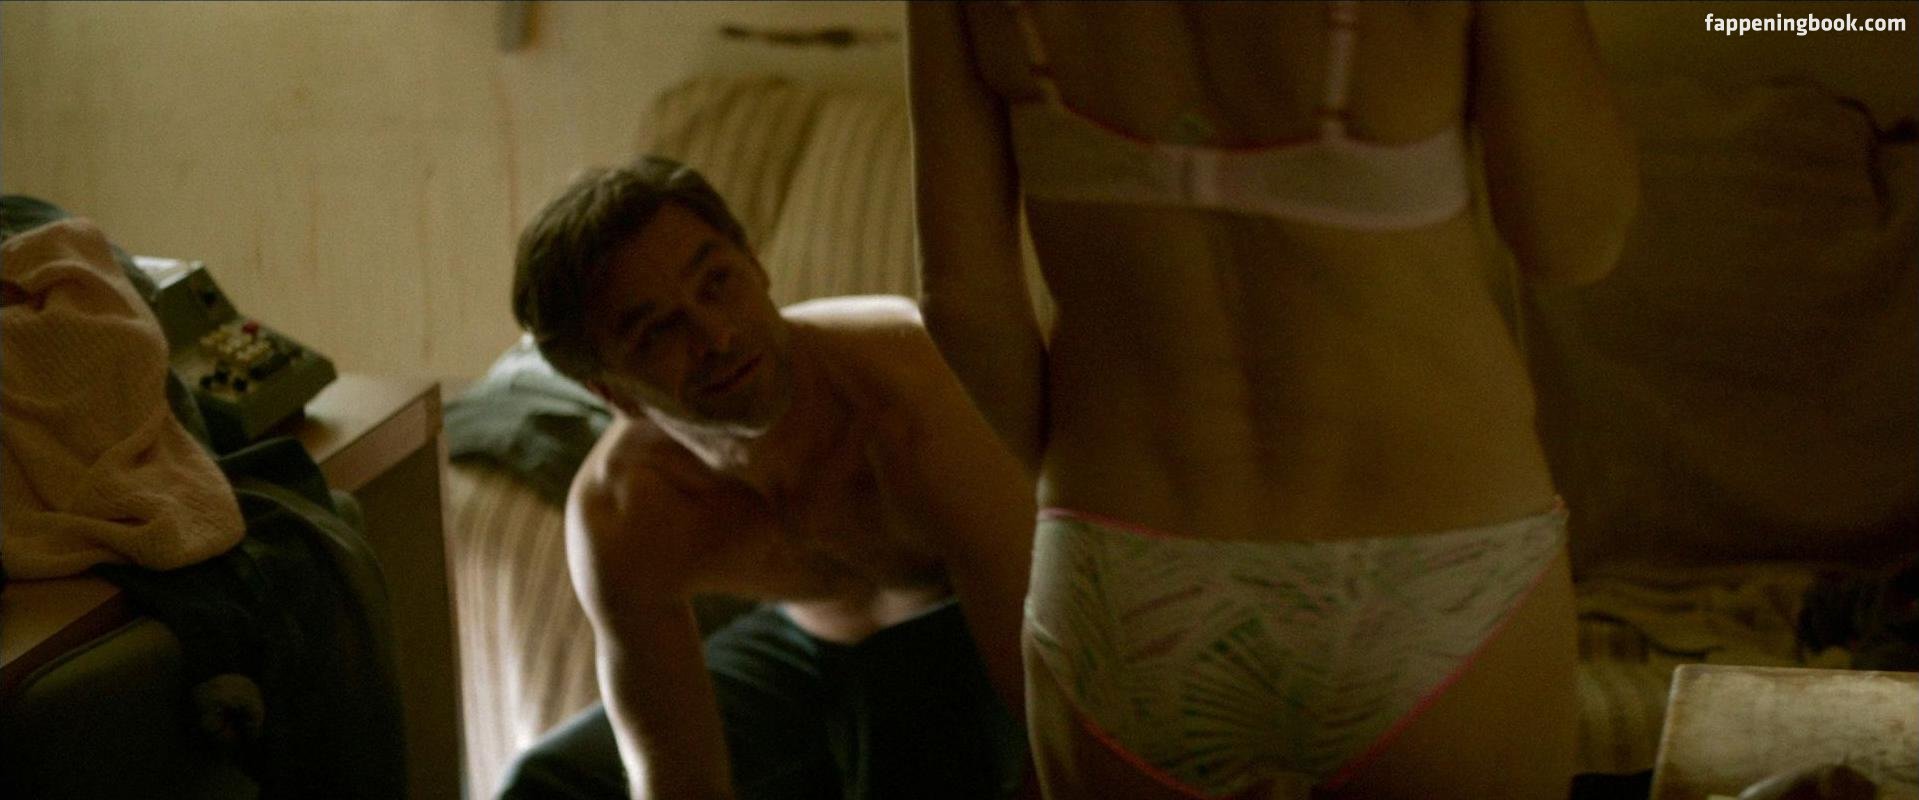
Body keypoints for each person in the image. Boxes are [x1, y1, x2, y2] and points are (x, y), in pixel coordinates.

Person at [908, 2, 1638, 798]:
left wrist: (1079, 503)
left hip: (1125, 564)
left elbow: (965, 303)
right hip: (1433, 554)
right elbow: (1573, 241)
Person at [497, 157, 1033, 800]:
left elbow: (1046, 683)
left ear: (755, 263)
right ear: (610, 391)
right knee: (550, 784)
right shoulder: (625, 513)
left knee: (904, 731)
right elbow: (678, 777)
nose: (716, 335)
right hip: (809, 644)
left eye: (718, 282)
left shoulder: (906, 386)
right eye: (657, 331)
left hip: (972, 630)